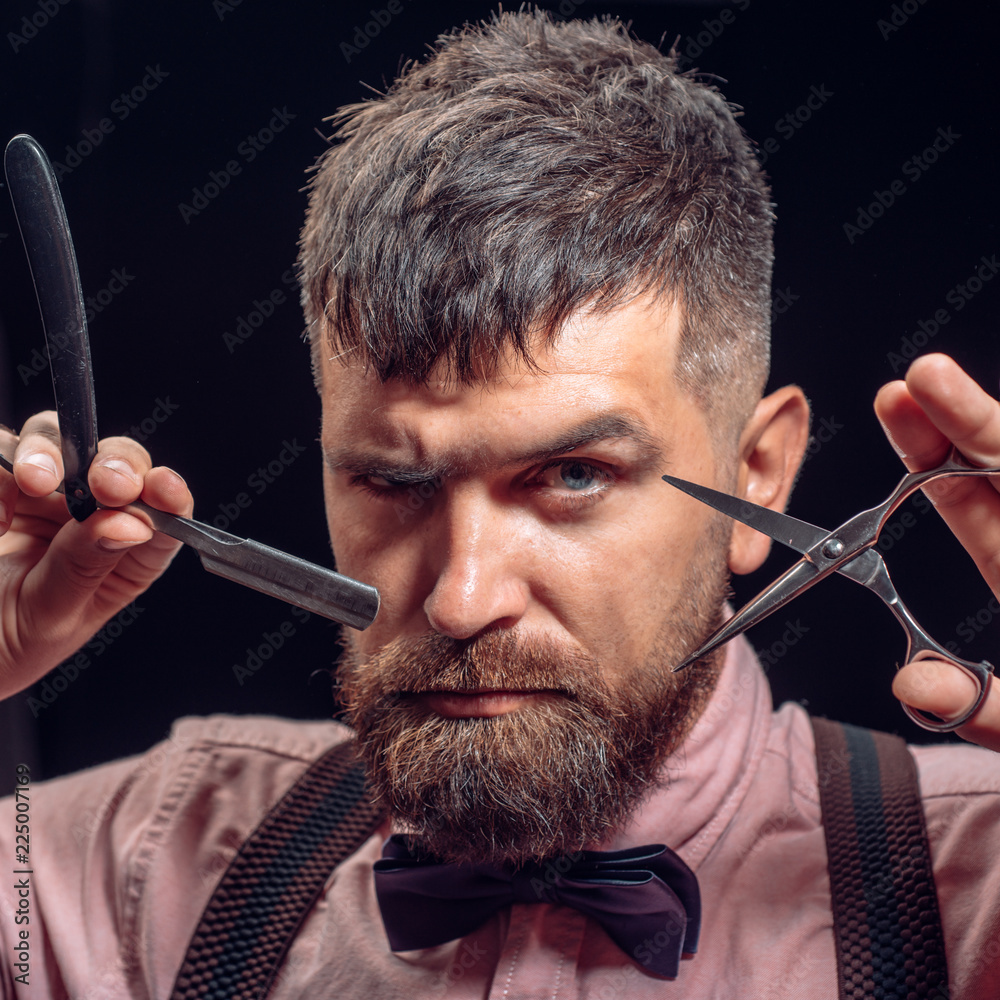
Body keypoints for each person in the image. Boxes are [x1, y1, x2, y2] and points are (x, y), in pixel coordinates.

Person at [2, 10, 1000, 998]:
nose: (461, 600)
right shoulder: (133, 869)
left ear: (758, 474)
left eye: (572, 477)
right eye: (392, 481)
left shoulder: (973, 888)